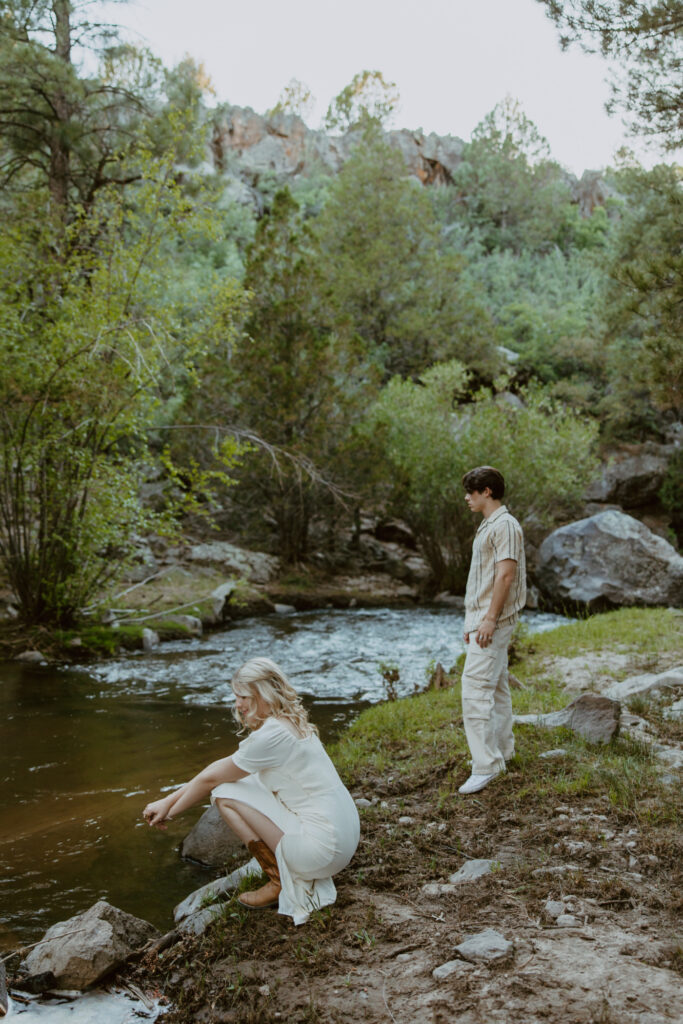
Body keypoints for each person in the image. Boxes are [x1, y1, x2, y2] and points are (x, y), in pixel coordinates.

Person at [143, 657, 360, 925]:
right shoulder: (291, 721)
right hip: (343, 840)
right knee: (245, 781)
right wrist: (169, 803)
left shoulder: (271, 736)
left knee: (224, 793)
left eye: (243, 696)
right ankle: (283, 871)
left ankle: (279, 880)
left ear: (265, 694)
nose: (237, 704)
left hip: (323, 850)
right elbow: (216, 769)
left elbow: (212, 778)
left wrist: (168, 807)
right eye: (236, 696)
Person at [458, 466, 526, 795]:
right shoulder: (490, 525)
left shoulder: (506, 525)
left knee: (474, 688)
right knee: (497, 687)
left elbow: (506, 576)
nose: (467, 498)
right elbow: (483, 579)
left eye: (471, 491)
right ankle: (503, 751)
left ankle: (486, 765)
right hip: (483, 619)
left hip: (494, 620)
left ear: (487, 491)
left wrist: (488, 620)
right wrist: (472, 622)